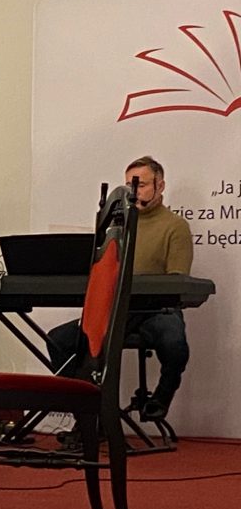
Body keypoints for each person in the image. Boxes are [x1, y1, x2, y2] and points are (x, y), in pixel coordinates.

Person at [48, 156, 191, 420]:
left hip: (155, 310)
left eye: (140, 185)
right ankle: (88, 414)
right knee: (58, 340)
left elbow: (176, 281)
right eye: (128, 186)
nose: (133, 192)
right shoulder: (114, 227)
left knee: (174, 343)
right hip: (115, 309)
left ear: (160, 186)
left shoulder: (175, 226)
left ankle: (160, 399)